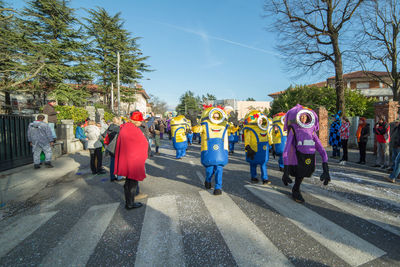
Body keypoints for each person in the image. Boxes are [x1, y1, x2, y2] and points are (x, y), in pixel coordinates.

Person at [282, 104, 331, 203]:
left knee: (302, 174)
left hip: (309, 158)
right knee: (299, 173)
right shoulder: (293, 129)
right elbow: (286, 150)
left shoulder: (311, 131)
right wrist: (286, 171)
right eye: (301, 116)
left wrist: (326, 169)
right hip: (296, 158)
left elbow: (321, 149)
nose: (303, 118)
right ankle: (296, 190)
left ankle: (296, 188)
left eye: (305, 116)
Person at [114, 111, 149, 209]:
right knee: (132, 182)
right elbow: (141, 143)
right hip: (133, 160)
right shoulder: (132, 129)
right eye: (140, 120)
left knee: (129, 182)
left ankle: (129, 202)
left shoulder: (127, 127)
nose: (141, 122)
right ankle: (130, 203)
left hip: (129, 158)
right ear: (136, 120)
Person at [200, 106, 229, 195]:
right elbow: (197, 130)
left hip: (221, 151)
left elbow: (232, 129)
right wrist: (193, 123)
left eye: (217, 117)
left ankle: (218, 187)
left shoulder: (224, 125)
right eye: (214, 116)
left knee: (219, 169)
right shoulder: (205, 125)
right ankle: (208, 180)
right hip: (208, 151)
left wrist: (235, 125)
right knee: (209, 170)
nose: (216, 118)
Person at [243, 110, 272, 184]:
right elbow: (247, 139)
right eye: (259, 120)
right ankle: (254, 177)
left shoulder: (264, 129)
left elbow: (268, 137)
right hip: (253, 150)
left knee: (263, 164)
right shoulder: (250, 131)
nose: (261, 121)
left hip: (262, 149)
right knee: (253, 164)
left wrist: (271, 145)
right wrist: (248, 147)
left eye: (262, 120)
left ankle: (265, 179)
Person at [105, 117, 124, 181]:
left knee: (112, 162)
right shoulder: (118, 128)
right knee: (119, 163)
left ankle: (112, 177)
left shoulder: (109, 127)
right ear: (118, 121)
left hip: (111, 146)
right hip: (117, 147)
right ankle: (119, 177)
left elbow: (104, 135)